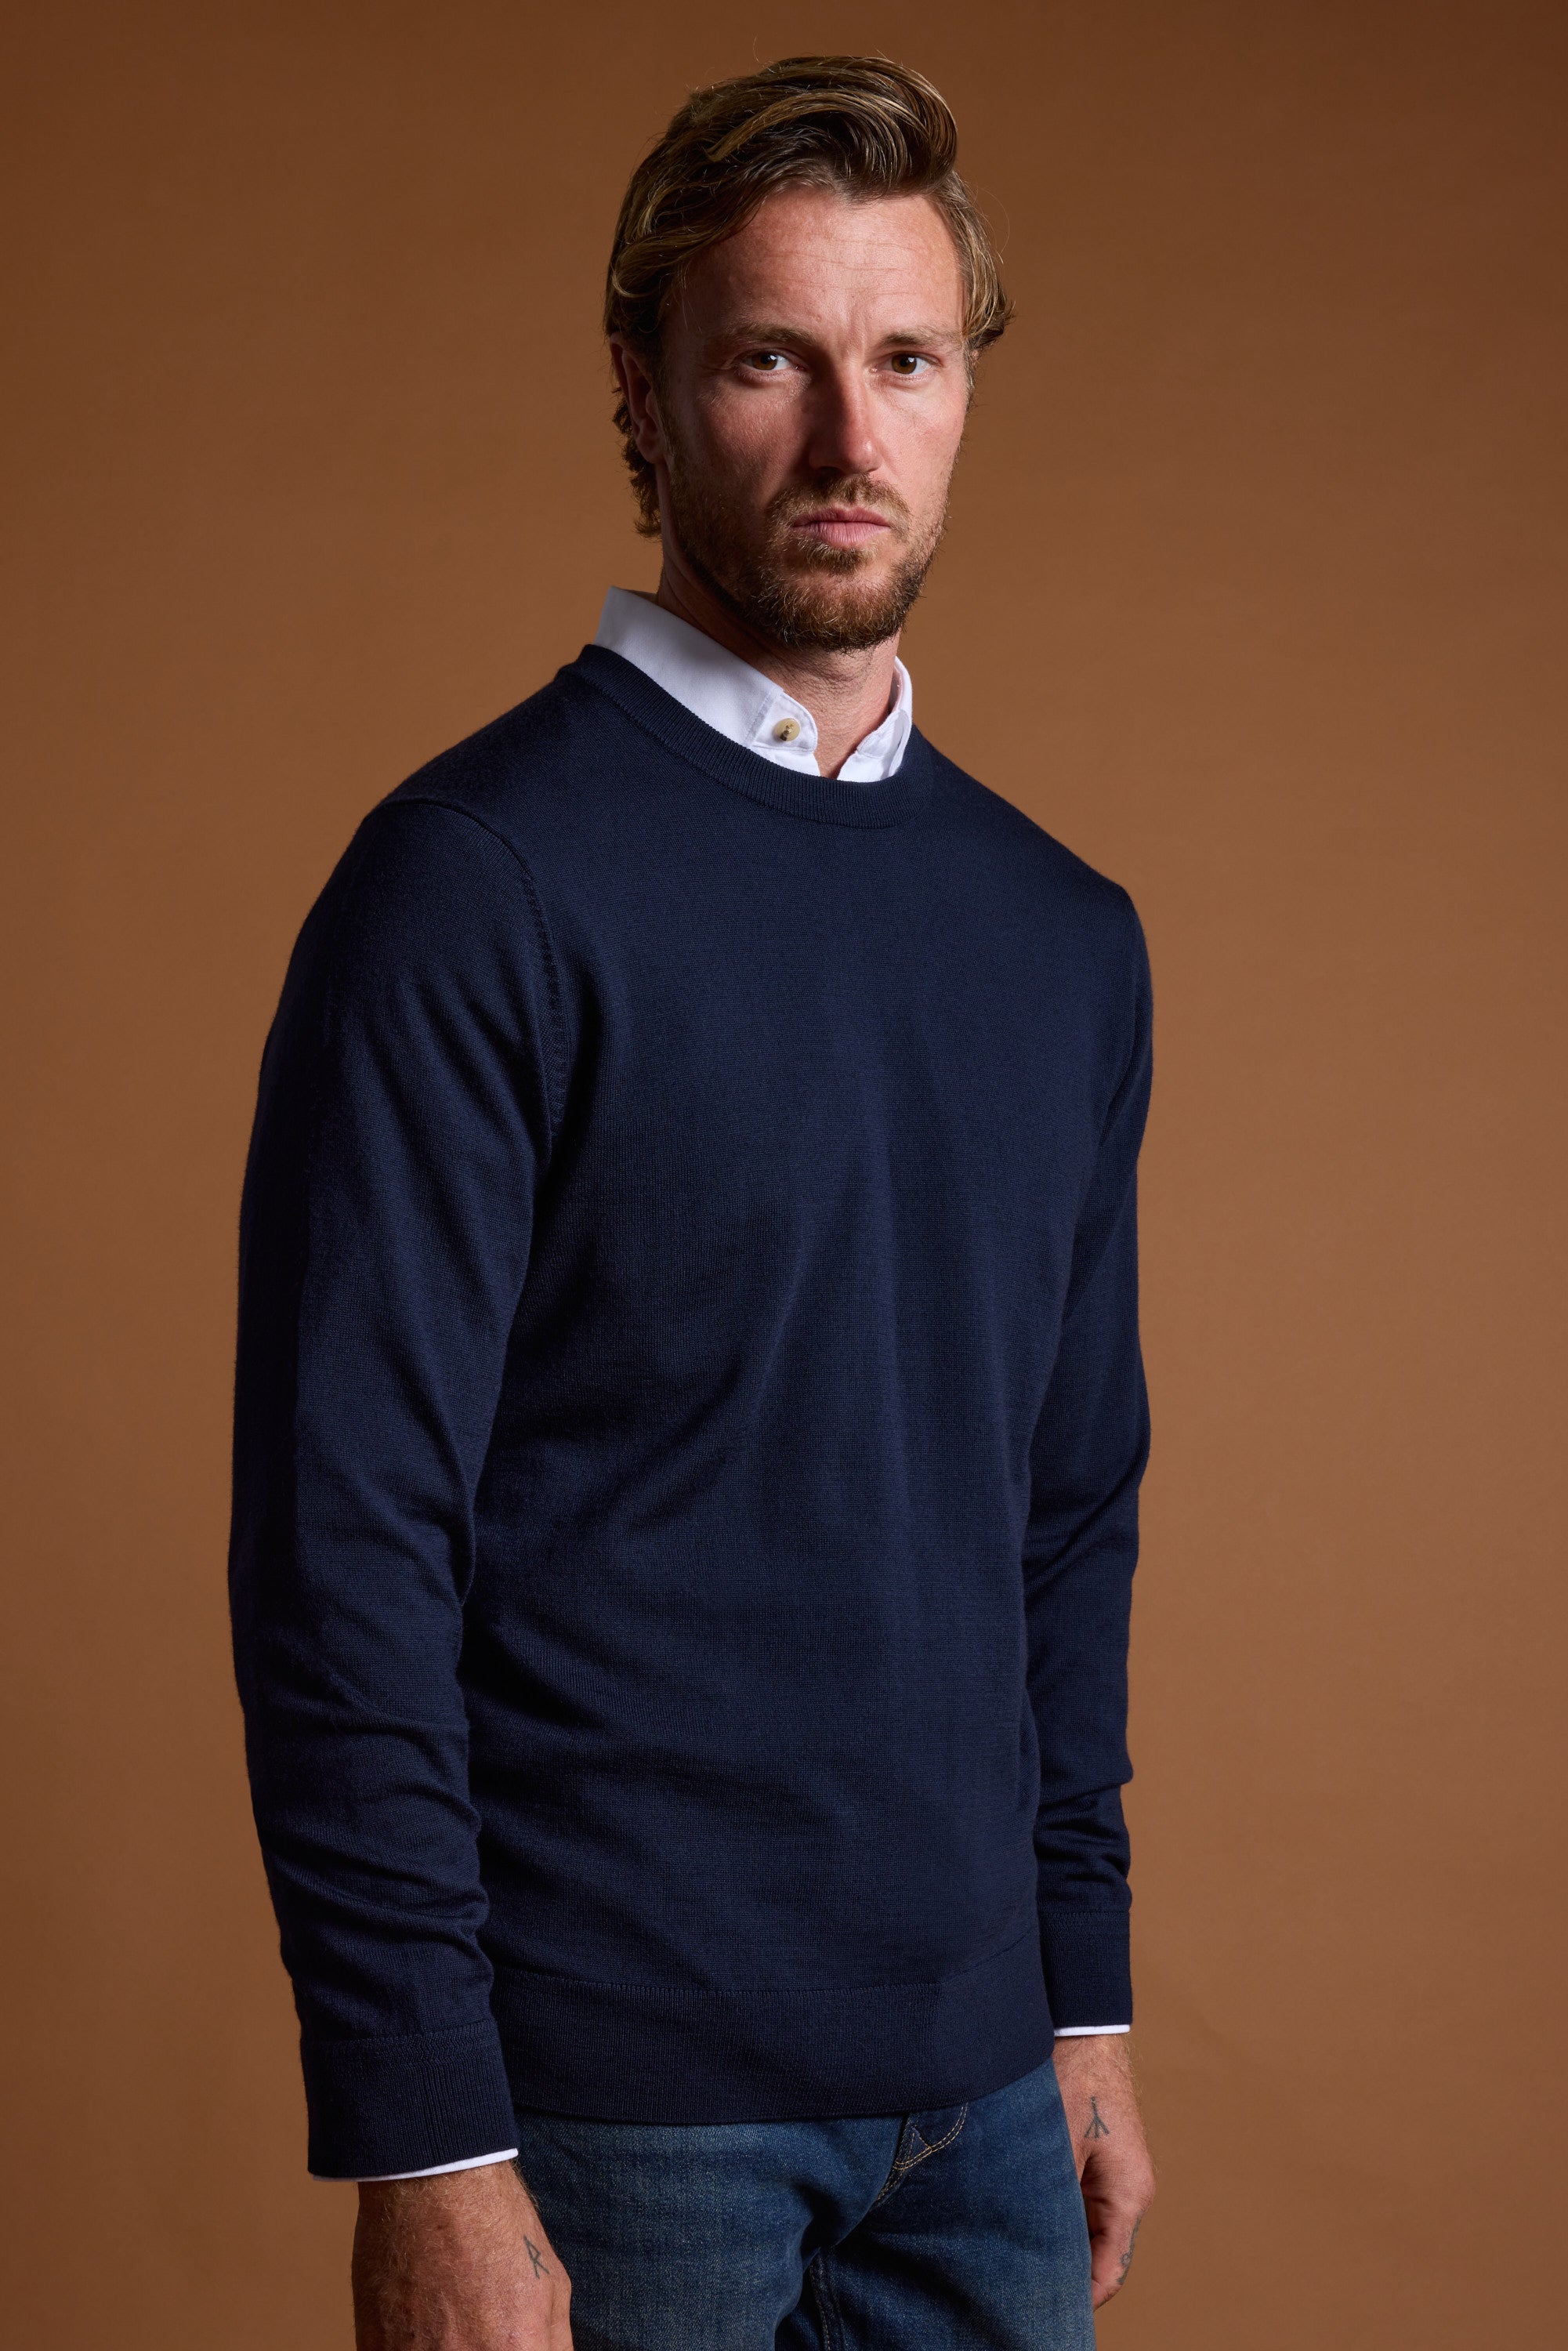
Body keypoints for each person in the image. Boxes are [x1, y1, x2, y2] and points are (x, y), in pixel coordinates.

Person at [230, 53, 1157, 2351]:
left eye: (906, 361)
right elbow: (345, 1542)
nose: (851, 440)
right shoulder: (474, 887)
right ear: (644, 391)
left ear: (963, 393)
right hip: (610, 2121)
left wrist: (1085, 2000)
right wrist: (425, 2142)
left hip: (983, 2111)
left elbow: (1062, 1506)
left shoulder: (1063, 933)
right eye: (770, 358)